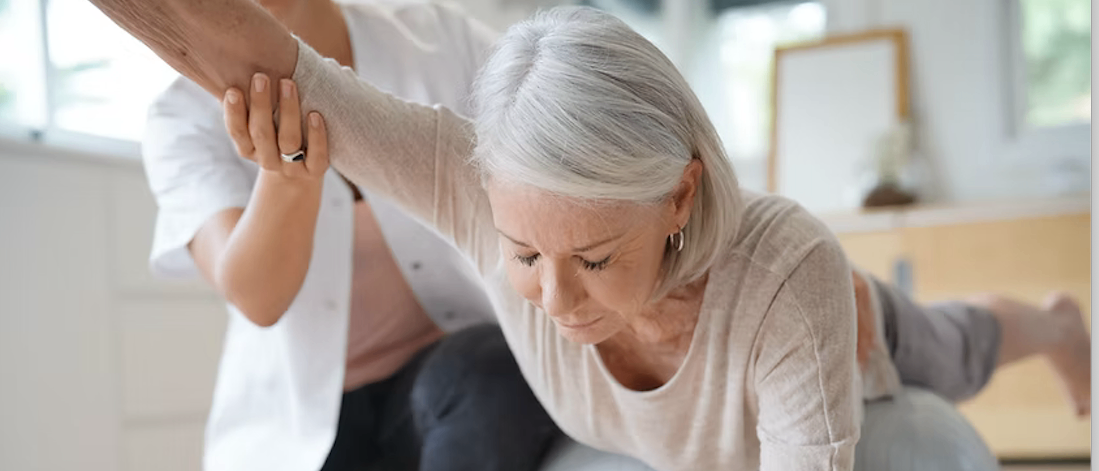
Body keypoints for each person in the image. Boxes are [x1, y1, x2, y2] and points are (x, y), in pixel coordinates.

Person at [94, 1, 1090, 470]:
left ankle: (1053, 324)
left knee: (954, 349)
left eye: (595, 259)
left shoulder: (788, 279)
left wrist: (816, 314)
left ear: (678, 197)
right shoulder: (472, 188)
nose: (554, 302)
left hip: (838, 317)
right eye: (525, 257)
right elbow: (279, 70)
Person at [140, 1, 559, 470]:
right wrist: (289, 176)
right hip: (300, 419)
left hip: (452, 371)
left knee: (489, 371)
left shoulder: (438, 38)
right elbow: (258, 299)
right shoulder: (180, 118)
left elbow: (556, 145)